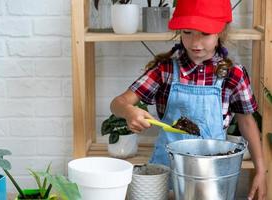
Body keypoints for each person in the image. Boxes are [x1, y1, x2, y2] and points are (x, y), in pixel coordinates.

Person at [110, 0, 267, 199]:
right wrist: (129, 111)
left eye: (205, 33)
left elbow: (246, 121)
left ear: (222, 31)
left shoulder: (233, 74)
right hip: (166, 174)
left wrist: (261, 170)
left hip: (212, 177)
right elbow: (118, 103)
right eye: (187, 32)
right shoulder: (164, 70)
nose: (195, 43)